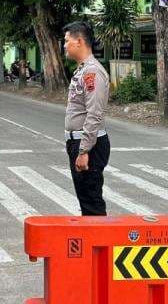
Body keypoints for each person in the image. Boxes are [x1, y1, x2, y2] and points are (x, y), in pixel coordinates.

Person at [63, 21, 110, 216]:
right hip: (82, 142)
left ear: (79, 41)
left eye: (67, 41)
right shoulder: (83, 69)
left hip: (89, 145)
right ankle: (95, 244)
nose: (64, 45)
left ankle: (99, 244)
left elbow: (94, 114)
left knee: (91, 203)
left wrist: (83, 150)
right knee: (86, 201)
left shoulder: (92, 72)